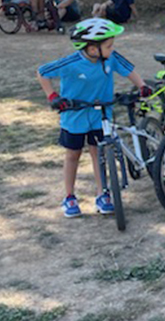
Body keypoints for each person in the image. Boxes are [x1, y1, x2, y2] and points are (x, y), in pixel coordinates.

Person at [37, 19, 152, 218]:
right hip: (75, 115)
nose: (112, 48)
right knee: (73, 155)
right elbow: (43, 72)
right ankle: (69, 196)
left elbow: (130, 71)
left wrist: (142, 86)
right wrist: (53, 96)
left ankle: (102, 194)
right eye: (108, 45)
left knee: (98, 154)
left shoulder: (111, 58)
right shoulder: (72, 62)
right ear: (92, 48)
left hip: (101, 115)